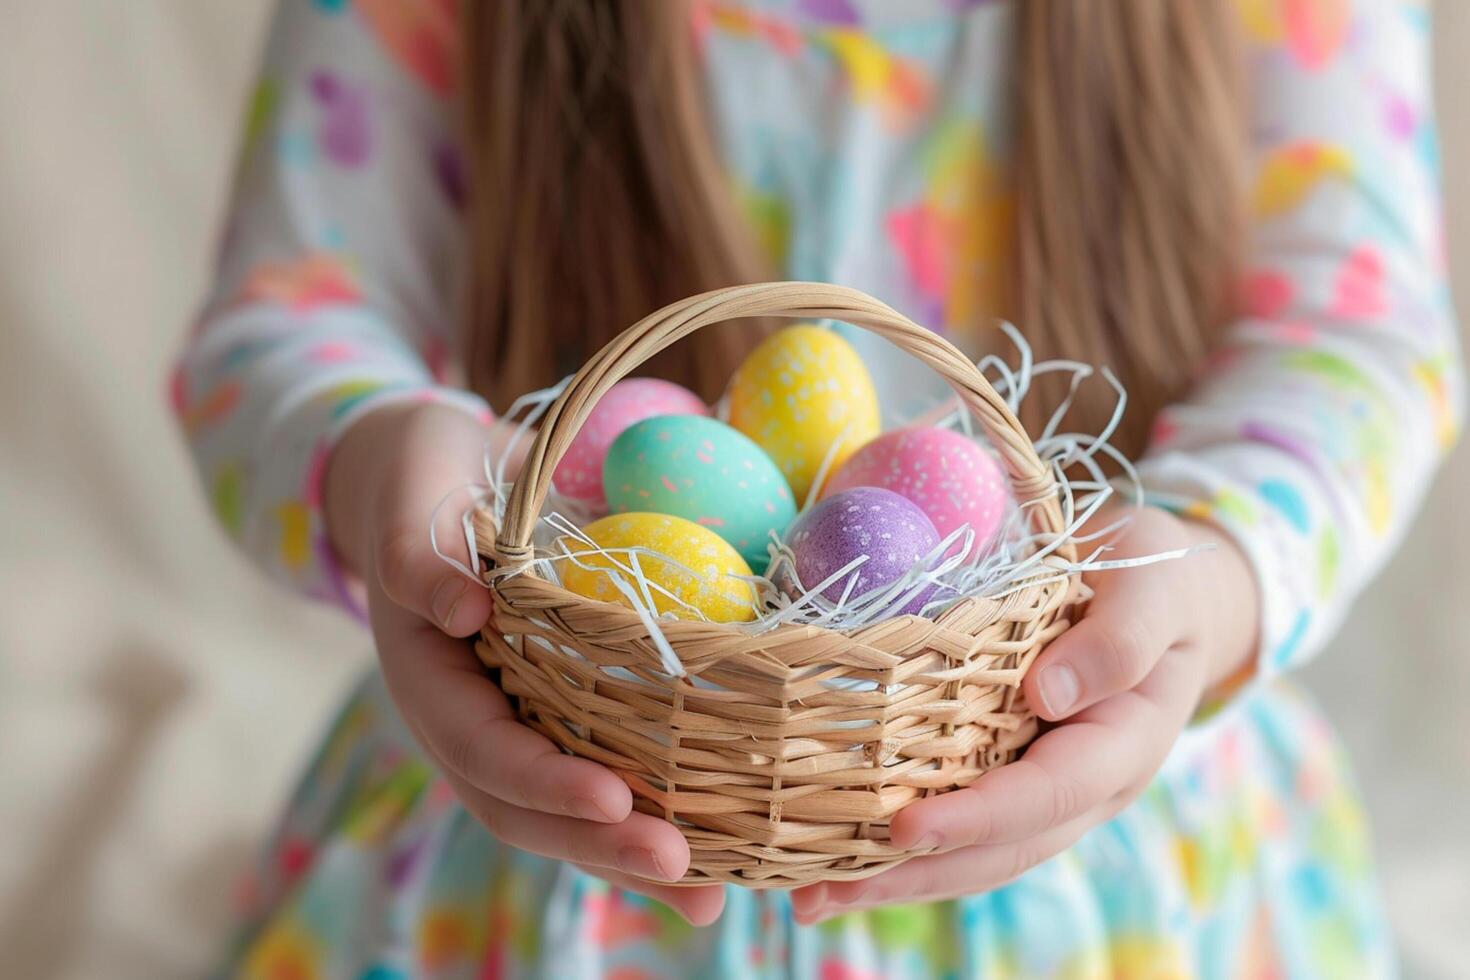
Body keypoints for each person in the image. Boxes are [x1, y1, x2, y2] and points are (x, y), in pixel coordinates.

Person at [174, 1, 1461, 976]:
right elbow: (285, 320)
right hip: (553, 805)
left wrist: (1219, 571)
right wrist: (377, 465)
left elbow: (1357, 338)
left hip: (1108, 824)